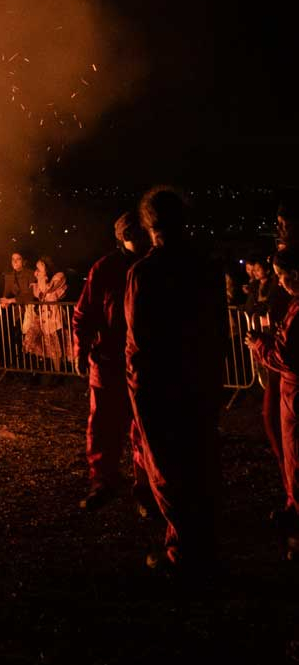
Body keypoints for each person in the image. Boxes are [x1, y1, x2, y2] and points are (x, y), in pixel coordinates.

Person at [124, 186, 228, 579]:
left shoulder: (144, 273)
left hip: (161, 385)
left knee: (168, 467)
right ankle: (204, 546)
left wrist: (138, 387)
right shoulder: (206, 268)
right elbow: (218, 330)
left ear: (149, 225)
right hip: (199, 379)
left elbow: (139, 341)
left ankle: (184, 553)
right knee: (200, 462)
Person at [72, 212, 149, 510]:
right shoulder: (105, 268)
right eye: (132, 233)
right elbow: (84, 312)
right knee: (103, 425)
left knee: (144, 426)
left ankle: (146, 487)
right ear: (123, 237)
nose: (137, 237)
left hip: (143, 361)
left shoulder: (152, 265)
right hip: (108, 359)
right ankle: (103, 481)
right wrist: (80, 349)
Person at [246, 247, 299, 552]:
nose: (279, 282)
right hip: (291, 393)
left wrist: (258, 345)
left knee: (296, 454)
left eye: (282, 276)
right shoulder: (294, 304)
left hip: (295, 393)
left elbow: (286, 356)